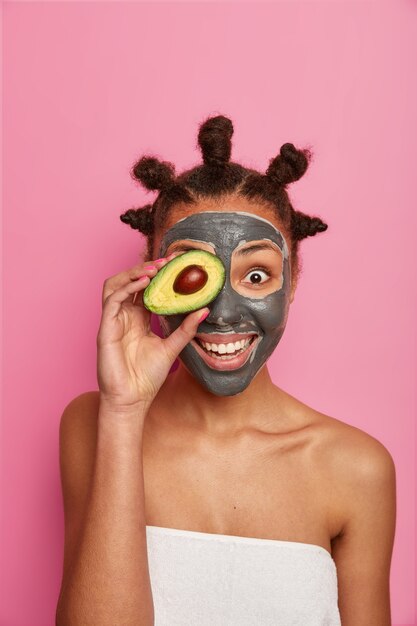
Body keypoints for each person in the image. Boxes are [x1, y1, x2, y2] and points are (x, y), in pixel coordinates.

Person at [55, 115, 396, 625]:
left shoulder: (356, 468)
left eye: (257, 275)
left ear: (293, 281)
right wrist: (124, 412)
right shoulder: (94, 423)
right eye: (193, 275)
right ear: (151, 276)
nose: (222, 313)